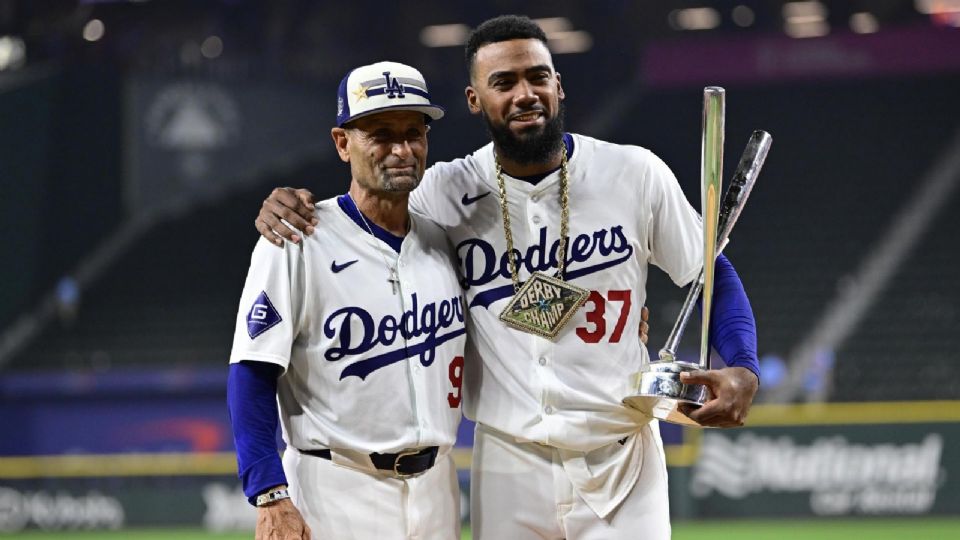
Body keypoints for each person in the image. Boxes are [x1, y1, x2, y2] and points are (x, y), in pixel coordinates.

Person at [254, 15, 760, 540]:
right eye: (504, 83)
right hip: (509, 464)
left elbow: (711, 273)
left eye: (538, 77)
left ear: (558, 86)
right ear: (475, 99)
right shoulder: (441, 193)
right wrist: (284, 205)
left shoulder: (634, 173)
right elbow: (364, 214)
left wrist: (743, 365)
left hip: (623, 458)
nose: (526, 93)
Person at [227, 61, 466, 540]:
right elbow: (252, 369)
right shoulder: (297, 237)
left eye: (413, 133)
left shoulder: (447, 240)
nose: (401, 149)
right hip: (335, 489)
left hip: (437, 488)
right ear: (343, 143)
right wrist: (269, 493)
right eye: (380, 133)